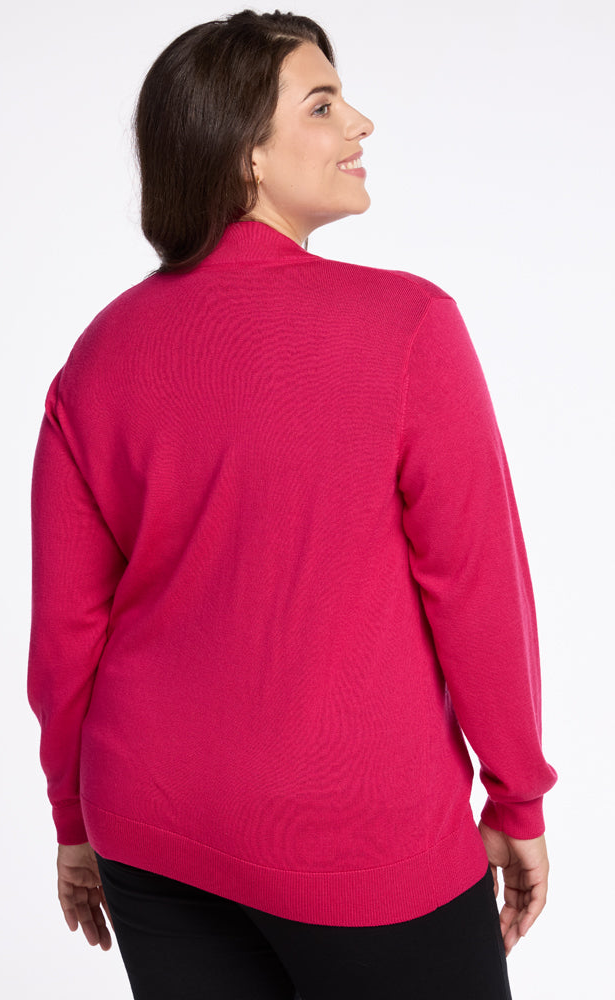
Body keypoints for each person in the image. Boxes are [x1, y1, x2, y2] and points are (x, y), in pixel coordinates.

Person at [28, 10, 558, 999]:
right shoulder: (408, 327)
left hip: (150, 823)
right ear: (244, 157)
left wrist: (73, 817)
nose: (359, 123)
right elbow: (477, 592)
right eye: (321, 104)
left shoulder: (96, 358)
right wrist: (517, 797)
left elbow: (64, 634)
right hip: (358, 835)